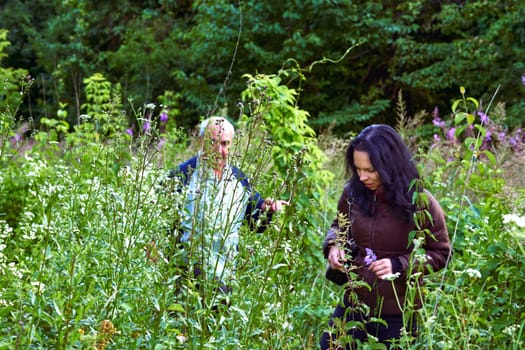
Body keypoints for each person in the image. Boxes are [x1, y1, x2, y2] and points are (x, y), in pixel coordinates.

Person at [320, 124, 451, 349]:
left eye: (370, 170)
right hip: (355, 303)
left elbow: (441, 253)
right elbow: (339, 227)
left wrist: (398, 265)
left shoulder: (420, 201)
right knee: (329, 345)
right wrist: (334, 247)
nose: (362, 177)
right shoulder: (353, 192)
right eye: (358, 169)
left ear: (389, 165)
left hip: (398, 312)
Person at [165, 116, 288, 291]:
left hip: (224, 277)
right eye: (212, 142)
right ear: (201, 141)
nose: (217, 150)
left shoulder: (238, 180)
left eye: (224, 144)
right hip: (184, 274)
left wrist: (267, 209)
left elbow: (256, 223)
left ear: (231, 145)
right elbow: (158, 221)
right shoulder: (182, 176)